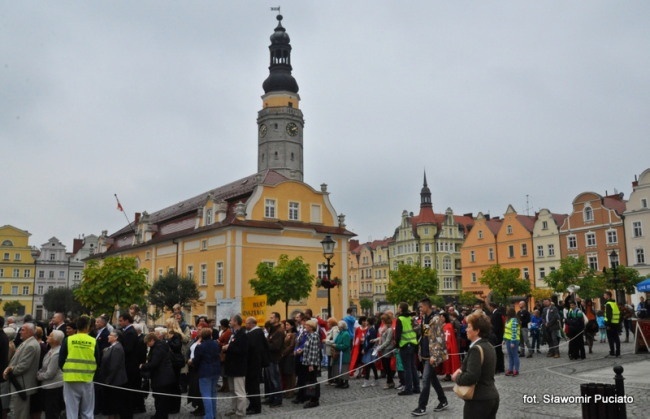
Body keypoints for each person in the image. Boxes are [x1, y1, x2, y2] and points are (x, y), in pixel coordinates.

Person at [451, 310, 499, 419]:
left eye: (468, 326)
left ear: (477, 331)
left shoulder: (476, 349)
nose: (466, 329)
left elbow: (471, 376)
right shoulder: (489, 346)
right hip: (491, 397)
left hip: (479, 400)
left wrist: (457, 377)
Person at [411, 298, 448, 417]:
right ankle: (443, 400)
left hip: (432, 356)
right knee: (433, 379)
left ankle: (422, 407)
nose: (420, 309)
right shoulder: (425, 319)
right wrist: (414, 325)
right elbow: (425, 335)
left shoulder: (436, 319)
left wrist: (434, 356)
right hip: (425, 354)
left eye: (421, 307)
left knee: (426, 380)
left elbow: (438, 338)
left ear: (427, 306)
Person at [59, 315, 99, 419]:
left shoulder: (68, 340)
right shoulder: (93, 341)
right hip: (87, 379)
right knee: (87, 412)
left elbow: (61, 360)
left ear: (77, 326)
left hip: (70, 379)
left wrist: (67, 370)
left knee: (71, 412)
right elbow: (98, 361)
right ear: (88, 326)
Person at [3, 322, 41, 419]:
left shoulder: (30, 345)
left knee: (20, 413)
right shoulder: (27, 343)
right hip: (19, 384)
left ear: (30, 332)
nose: (20, 332)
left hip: (22, 385)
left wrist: (9, 370)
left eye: (23, 330)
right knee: (17, 411)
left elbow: (23, 366)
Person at [141, 332, 176, 419]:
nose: (148, 345)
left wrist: (143, 365)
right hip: (162, 377)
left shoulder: (158, 348)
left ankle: (161, 416)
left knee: (161, 399)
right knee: (159, 398)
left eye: (148, 343)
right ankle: (159, 414)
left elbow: (154, 363)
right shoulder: (160, 345)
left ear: (152, 340)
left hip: (162, 377)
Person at [96, 330, 128, 419]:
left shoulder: (117, 348)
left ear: (116, 337)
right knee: (111, 404)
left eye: (110, 335)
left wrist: (107, 381)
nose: (108, 336)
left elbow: (114, 367)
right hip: (112, 380)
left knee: (113, 404)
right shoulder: (113, 347)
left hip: (115, 381)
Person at [193, 327, 221, 419]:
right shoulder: (216, 344)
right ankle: (213, 414)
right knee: (213, 393)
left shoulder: (200, 346)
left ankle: (209, 416)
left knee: (206, 394)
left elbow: (196, 361)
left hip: (205, 372)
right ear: (210, 335)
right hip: (216, 371)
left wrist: (192, 363)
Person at [223, 314, 248, 417]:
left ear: (236, 322)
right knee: (233, 391)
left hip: (238, 367)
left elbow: (242, 350)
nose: (229, 321)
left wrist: (228, 348)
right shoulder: (234, 334)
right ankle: (234, 409)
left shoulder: (242, 334)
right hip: (231, 367)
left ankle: (241, 412)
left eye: (231, 320)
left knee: (239, 392)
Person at [395, 302, 420, 395]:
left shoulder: (400, 319)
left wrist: (397, 345)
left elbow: (398, 334)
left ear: (401, 309)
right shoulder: (410, 318)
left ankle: (408, 389)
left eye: (398, 307)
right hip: (413, 344)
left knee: (407, 368)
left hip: (404, 344)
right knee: (413, 367)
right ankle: (416, 387)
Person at [244, 317, 267, 415]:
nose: (246, 325)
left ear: (252, 324)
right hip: (252, 364)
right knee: (250, 386)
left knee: (253, 387)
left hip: (254, 364)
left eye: (247, 323)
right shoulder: (255, 333)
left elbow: (253, 349)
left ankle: (256, 407)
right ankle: (252, 404)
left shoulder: (256, 333)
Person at [301, 319, 321, 409]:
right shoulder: (309, 335)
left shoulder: (314, 336)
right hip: (308, 362)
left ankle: (314, 399)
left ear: (311, 327)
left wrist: (311, 365)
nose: (305, 327)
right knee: (309, 380)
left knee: (312, 380)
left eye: (307, 326)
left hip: (312, 363)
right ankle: (311, 397)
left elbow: (313, 351)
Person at [266, 312, 285, 407]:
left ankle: (278, 399)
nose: (270, 318)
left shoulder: (279, 331)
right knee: (270, 380)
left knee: (275, 380)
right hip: (269, 358)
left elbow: (276, 346)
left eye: (272, 317)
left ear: (277, 319)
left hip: (274, 358)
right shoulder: (272, 330)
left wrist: (265, 344)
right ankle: (272, 397)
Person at [375, 313, 396, 390]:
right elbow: (382, 337)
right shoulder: (385, 328)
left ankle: (389, 382)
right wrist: (375, 340)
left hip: (387, 349)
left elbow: (387, 341)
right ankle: (390, 382)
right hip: (383, 349)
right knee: (385, 366)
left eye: (383, 319)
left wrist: (380, 347)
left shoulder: (390, 329)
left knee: (387, 367)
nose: (381, 321)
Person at [329, 320, 351, 389]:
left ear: (342, 327)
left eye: (339, 326)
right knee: (339, 369)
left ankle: (346, 382)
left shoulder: (346, 334)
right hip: (338, 354)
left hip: (344, 355)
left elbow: (346, 345)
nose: (338, 327)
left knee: (344, 369)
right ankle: (340, 382)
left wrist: (336, 346)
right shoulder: (340, 333)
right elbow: (336, 341)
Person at [440, 312, 461, 381]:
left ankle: (448, 374)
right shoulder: (444, 325)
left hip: (448, 345)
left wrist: (446, 345)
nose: (441, 318)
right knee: (446, 361)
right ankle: (447, 374)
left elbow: (448, 336)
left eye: (442, 317)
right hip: (445, 345)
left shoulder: (448, 326)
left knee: (448, 361)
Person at [280, 319, 297, 398]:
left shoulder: (293, 334)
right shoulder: (285, 334)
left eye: (288, 325)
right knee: (285, 373)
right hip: (284, 356)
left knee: (290, 373)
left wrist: (284, 353)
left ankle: (291, 390)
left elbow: (291, 346)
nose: (286, 326)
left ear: (292, 326)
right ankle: (287, 390)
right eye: (285, 325)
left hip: (289, 356)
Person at [361, 317, 379, 387]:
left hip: (370, 350)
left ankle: (366, 380)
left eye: (366, 321)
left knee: (368, 365)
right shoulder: (368, 330)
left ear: (369, 322)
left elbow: (371, 342)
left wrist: (365, 349)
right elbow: (366, 340)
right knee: (371, 365)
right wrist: (363, 348)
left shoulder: (372, 330)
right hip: (367, 349)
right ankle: (376, 379)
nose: (365, 322)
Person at [488, 302, 505, 373]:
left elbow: (497, 326)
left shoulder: (497, 314)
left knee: (498, 352)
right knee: (497, 352)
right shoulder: (495, 313)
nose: (489, 308)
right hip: (496, 335)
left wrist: (492, 333)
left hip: (497, 336)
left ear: (492, 306)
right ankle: (498, 367)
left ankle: (500, 367)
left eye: (489, 307)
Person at [503, 308, 520, 376]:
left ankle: (516, 369)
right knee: (510, 355)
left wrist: (513, 341)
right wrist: (504, 339)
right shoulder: (508, 320)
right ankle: (510, 369)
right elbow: (506, 330)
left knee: (514, 355)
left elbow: (514, 331)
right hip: (508, 339)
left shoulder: (514, 320)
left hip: (514, 339)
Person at [603, 291, 621, 357]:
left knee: (610, 339)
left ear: (608, 295)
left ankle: (612, 352)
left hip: (610, 324)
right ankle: (618, 352)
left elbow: (609, 315)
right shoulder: (614, 303)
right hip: (615, 323)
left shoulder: (608, 304)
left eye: (604, 295)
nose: (603, 296)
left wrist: (608, 325)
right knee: (616, 338)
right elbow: (619, 313)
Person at [323, 317, 339, 385]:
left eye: (328, 322)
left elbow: (334, 341)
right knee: (330, 365)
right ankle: (330, 379)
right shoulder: (332, 329)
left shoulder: (335, 330)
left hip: (332, 351)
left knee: (332, 365)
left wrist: (326, 341)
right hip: (329, 351)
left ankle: (333, 380)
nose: (327, 324)